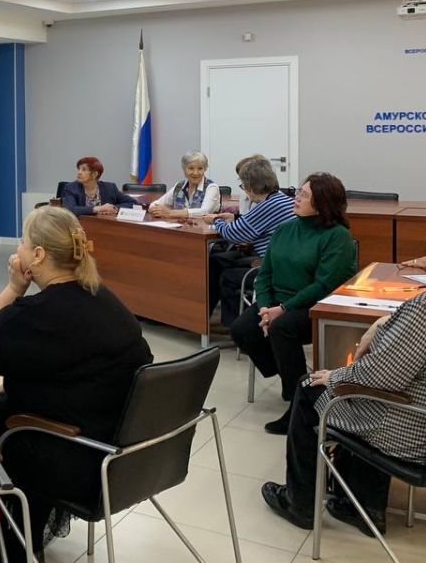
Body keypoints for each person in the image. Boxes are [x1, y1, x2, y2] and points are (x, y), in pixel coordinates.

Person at [262, 210, 426, 536]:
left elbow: (379, 376)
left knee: (312, 387)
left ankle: (300, 504)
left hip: (419, 436)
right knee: (358, 393)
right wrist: (384, 325)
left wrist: (334, 375)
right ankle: (360, 505)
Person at [0, 206, 152, 561]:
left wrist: (14, 288)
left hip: (75, 457)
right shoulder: (104, 298)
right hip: (125, 453)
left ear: (37, 255)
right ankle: (20, 534)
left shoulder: (38, 313)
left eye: (22, 242)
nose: (17, 249)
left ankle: (4, 542)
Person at [230, 173, 358, 434]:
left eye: (304, 195)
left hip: (313, 306)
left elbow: (323, 285)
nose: (296, 198)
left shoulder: (337, 237)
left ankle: (299, 403)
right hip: (276, 303)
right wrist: (265, 307)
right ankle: (295, 383)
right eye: (298, 192)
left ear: (322, 203)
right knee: (241, 329)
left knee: (281, 329)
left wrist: (283, 309)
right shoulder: (285, 229)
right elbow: (265, 273)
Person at [198, 156, 296, 327]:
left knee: (226, 274)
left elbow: (233, 234)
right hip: (283, 262)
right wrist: (235, 219)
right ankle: (203, 319)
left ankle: (233, 326)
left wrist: (216, 220)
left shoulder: (266, 206)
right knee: (216, 261)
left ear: (250, 187)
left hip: (272, 268)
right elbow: (249, 225)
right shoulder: (282, 200)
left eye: (243, 186)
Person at [148, 151, 221, 219]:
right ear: (184, 169)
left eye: (200, 169)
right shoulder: (179, 186)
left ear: (205, 169)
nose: (195, 173)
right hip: (179, 227)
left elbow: (204, 212)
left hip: (203, 228)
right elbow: (156, 204)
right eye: (191, 168)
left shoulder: (212, 187)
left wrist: (170, 213)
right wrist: (155, 209)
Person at [60, 156, 137, 217]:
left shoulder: (110, 188)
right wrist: (99, 209)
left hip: (105, 225)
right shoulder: (71, 188)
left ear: (95, 174)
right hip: (79, 226)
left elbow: (132, 202)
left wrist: (114, 208)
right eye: (79, 169)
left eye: (84, 170)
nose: (79, 172)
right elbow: (70, 209)